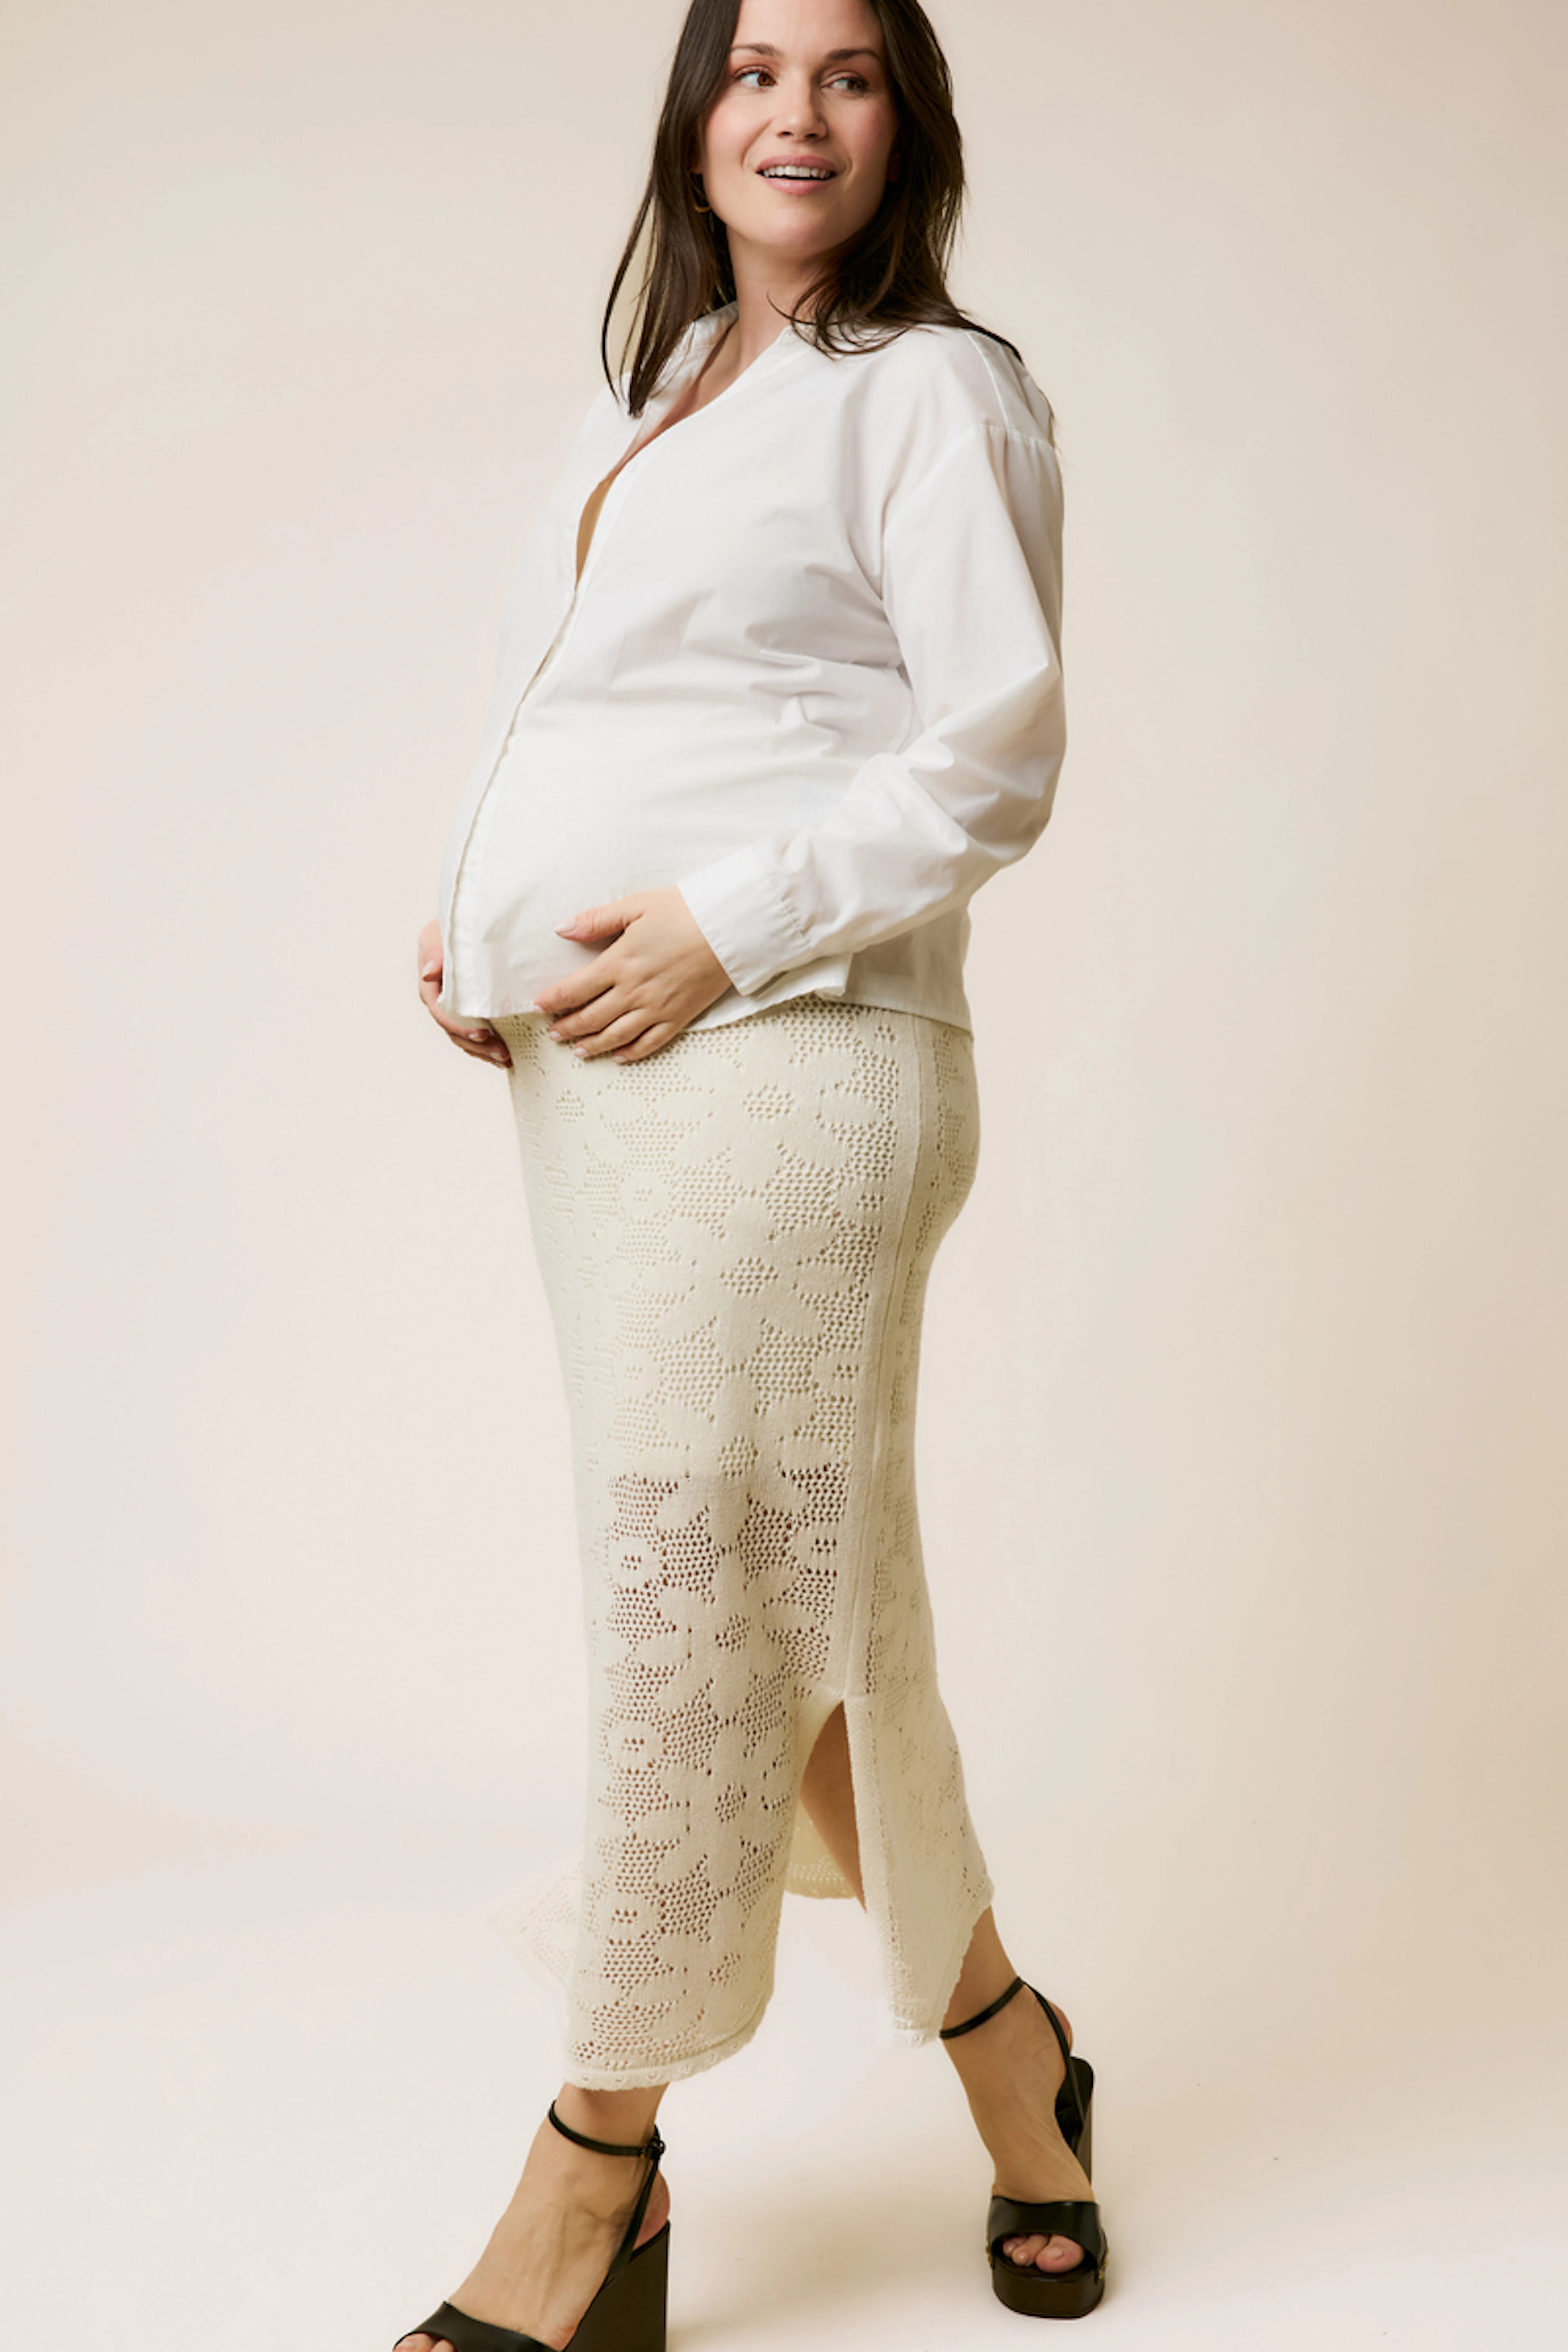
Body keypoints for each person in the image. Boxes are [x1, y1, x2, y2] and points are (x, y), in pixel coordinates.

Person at [396, 2, 1104, 2345]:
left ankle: (596, 2166)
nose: (797, 112)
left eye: (850, 72)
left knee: (686, 1600)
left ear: (907, 124)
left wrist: (721, 927)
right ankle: (1013, 2063)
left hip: (794, 1058)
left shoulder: (933, 392)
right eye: (756, 67)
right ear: (696, 113)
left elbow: (992, 754)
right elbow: (589, 701)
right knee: (785, 1609)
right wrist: (478, 910)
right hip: (600, 1083)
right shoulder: (656, 386)